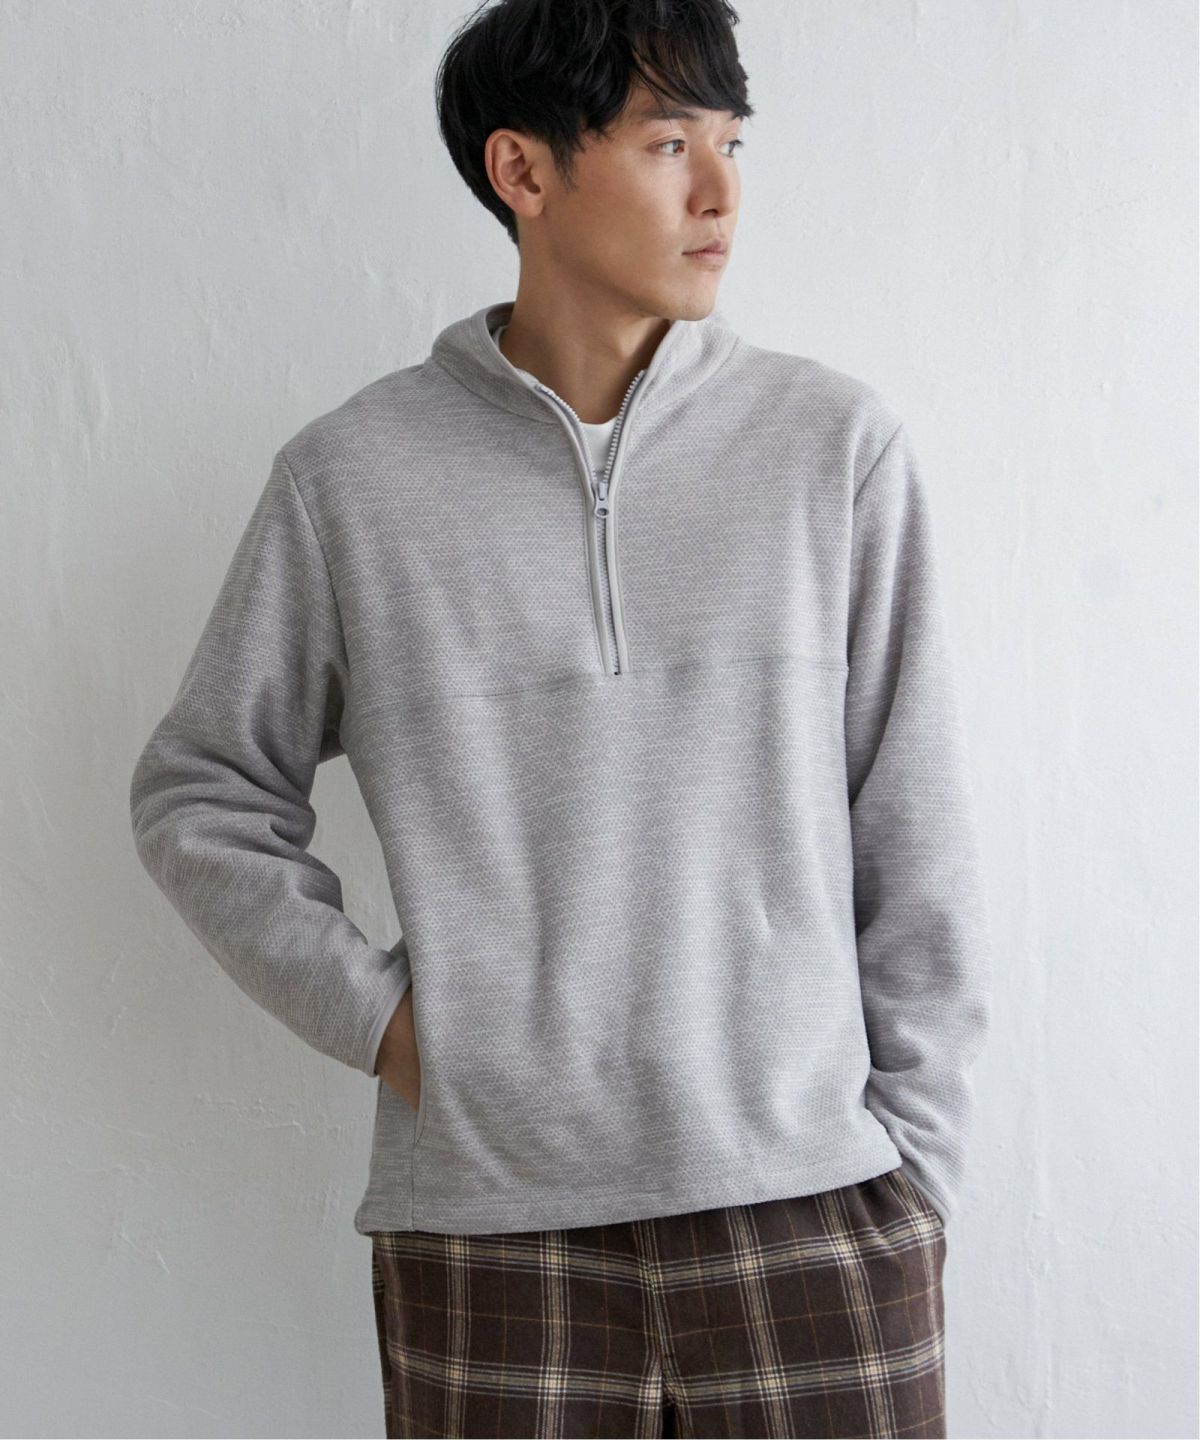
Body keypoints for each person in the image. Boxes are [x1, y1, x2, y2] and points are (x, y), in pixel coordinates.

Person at [129, 0, 993, 1434]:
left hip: (816, 1211)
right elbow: (201, 791)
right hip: (492, 1231)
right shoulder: (353, 481)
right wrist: (399, 1028)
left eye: (730, 145)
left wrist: (917, 1176)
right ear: (522, 170)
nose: (719, 194)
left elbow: (917, 835)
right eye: (668, 145)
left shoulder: (831, 451)